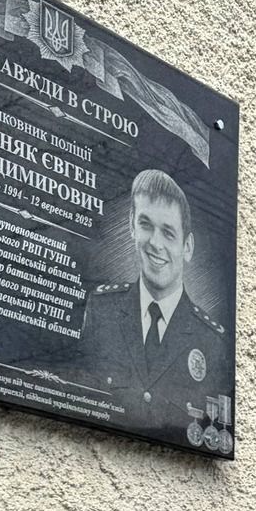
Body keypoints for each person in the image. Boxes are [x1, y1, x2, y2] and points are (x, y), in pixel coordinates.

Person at [79, 169, 229, 444]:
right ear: (132, 227)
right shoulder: (101, 311)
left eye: (168, 233)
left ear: (187, 246)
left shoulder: (211, 342)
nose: (155, 243)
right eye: (146, 225)